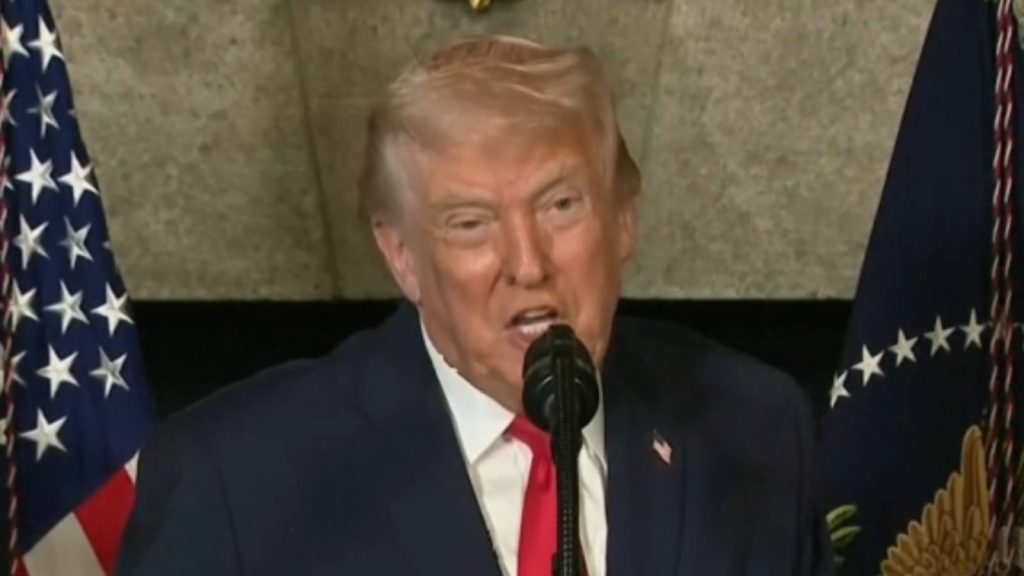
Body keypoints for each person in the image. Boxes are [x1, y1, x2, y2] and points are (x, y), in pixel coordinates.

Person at [116, 35, 833, 576]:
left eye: (560, 205)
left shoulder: (757, 427)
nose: (527, 263)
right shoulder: (235, 477)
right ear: (402, 256)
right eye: (470, 223)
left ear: (623, 218)